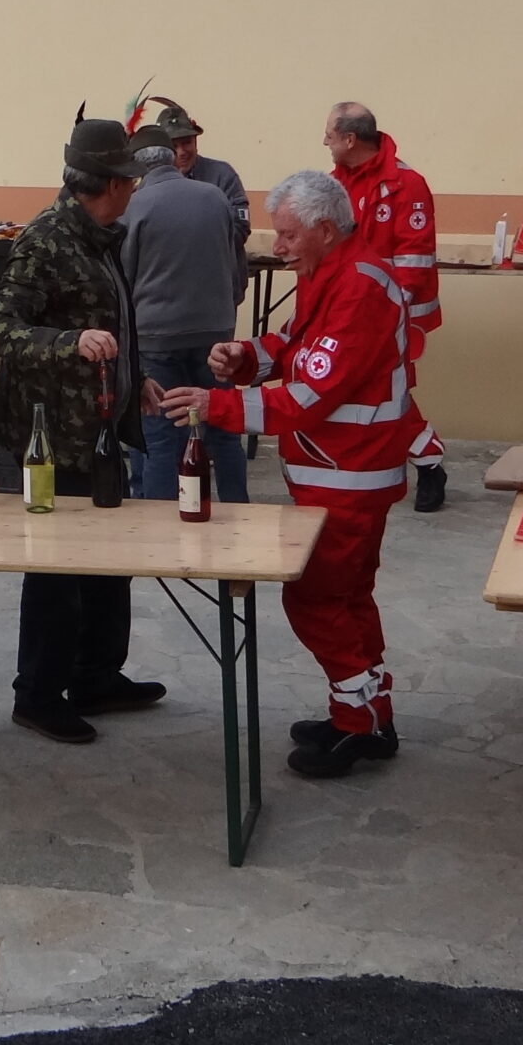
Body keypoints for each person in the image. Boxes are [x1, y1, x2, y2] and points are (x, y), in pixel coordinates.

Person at [161, 170, 415, 780]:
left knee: (318, 599)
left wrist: (212, 403)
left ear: (326, 230)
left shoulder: (356, 288)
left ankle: (355, 724)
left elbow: (308, 395)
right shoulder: (335, 272)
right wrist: (246, 356)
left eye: (289, 235)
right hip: (343, 471)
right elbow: (299, 345)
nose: (278, 247)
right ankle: (369, 714)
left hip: (347, 476)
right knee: (347, 596)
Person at [0, 115, 167, 744]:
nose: (136, 190)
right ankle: (36, 694)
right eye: (131, 181)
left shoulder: (98, 236)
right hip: (51, 439)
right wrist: (71, 343)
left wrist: (131, 377)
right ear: (110, 184)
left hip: (98, 429)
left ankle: (95, 676)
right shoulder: (48, 239)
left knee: (110, 562)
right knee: (57, 572)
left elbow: (109, 320)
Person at [326, 102, 447, 511]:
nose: (324, 141)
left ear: (349, 139)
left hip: (394, 314)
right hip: (354, 309)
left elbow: (414, 260)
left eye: (329, 134)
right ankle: (427, 460)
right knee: (377, 389)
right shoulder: (337, 182)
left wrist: (393, 313)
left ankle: (429, 462)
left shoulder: (405, 185)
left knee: (385, 389)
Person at [120, 129, 250, 508]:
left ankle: (163, 523)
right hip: (215, 334)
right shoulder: (215, 197)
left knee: (163, 435)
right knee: (224, 427)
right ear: (170, 159)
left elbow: (123, 279)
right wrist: (225, 312)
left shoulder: (135, 207)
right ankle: (237, 510)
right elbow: (236, 267)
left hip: (157, 338)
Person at [146, 98, 251, 245]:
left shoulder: (223, 175)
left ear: (196, 142)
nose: (181, 152)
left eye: (186, 142)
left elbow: (240, 227)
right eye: (174, 145)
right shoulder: (150, 183)